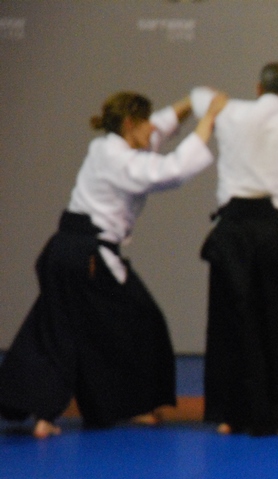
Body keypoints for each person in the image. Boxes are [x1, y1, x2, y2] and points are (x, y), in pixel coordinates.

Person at [0, 89, 227, 438]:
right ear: (129, 124)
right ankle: (82, 411)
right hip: (85, 256)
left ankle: (55, 412)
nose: (153, 129)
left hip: (68, 252)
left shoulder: (113, 146)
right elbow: (172, 170)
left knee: (56, 330)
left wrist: (190, 101)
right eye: (146, 123)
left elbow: (160, 126)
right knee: (130, 322)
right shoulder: (117, 158)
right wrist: (208, 118)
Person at [190, 62, 278, 437]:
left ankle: (231, 414)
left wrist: (201, 103)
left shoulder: (231, 113)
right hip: (277, 231)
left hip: (230, 230)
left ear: (257, 88)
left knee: (232, 323)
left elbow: (200, 97)